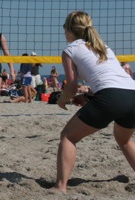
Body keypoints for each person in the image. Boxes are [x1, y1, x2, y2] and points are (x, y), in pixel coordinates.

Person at [54, 11, 135, 193]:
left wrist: (62, 100)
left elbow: (72, 86)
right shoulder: (103, 46)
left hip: (111, 97)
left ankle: (60, 187)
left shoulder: (70, 50)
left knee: (68, 136)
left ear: (69, 30)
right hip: (132, 94)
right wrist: (88, 97)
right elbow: (111, 80)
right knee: (124, 140)